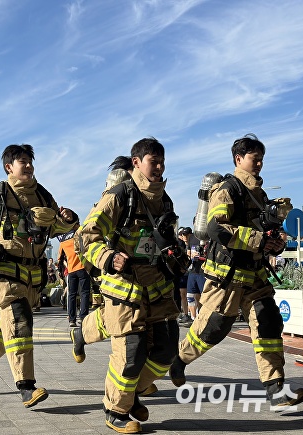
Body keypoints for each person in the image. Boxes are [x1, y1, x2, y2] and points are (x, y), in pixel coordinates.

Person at [169, 133, 303, 408]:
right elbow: (216, 228)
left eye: (261, 160)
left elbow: (266, 231)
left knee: (268, 322)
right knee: (214, 328)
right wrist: (258, 239)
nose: (259, 165)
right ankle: (179, 359)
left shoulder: (260, 194)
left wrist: (275, 243)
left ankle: (275, 388)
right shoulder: (227, 189)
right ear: (238, 159)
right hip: (226, 276)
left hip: (255, 275)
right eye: (254, 159)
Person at [0, 144, 78, 408]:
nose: (29, 167)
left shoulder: (43, 196)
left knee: (11, 323)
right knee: (20, 322)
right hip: (4, 271)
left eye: (31, 162)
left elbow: (55, 227)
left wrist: (68, 219)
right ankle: (26, 387)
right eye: (23, 162)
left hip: (32, 274)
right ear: (9, 167)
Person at [76, 138, 182, 433]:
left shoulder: (165, 199)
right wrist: (109, 257)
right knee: (131, 353)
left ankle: (130, 393)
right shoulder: (120, 196)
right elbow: (86, 236)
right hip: (125, 285)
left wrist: (176, 254)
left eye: (162, 162)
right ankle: (115, 410)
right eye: (153, 162)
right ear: (136, 162)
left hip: (157, 284)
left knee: (166, 350)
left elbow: (166, 238)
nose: (159, 167)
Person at [58, 223, 91, 327]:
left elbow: (60, 258)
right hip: (83, 268)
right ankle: (83, 317)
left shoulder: (63, 240)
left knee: (71, 295)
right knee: (84, 293)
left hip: (71, 270)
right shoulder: (81, 235)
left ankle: (72, 319)